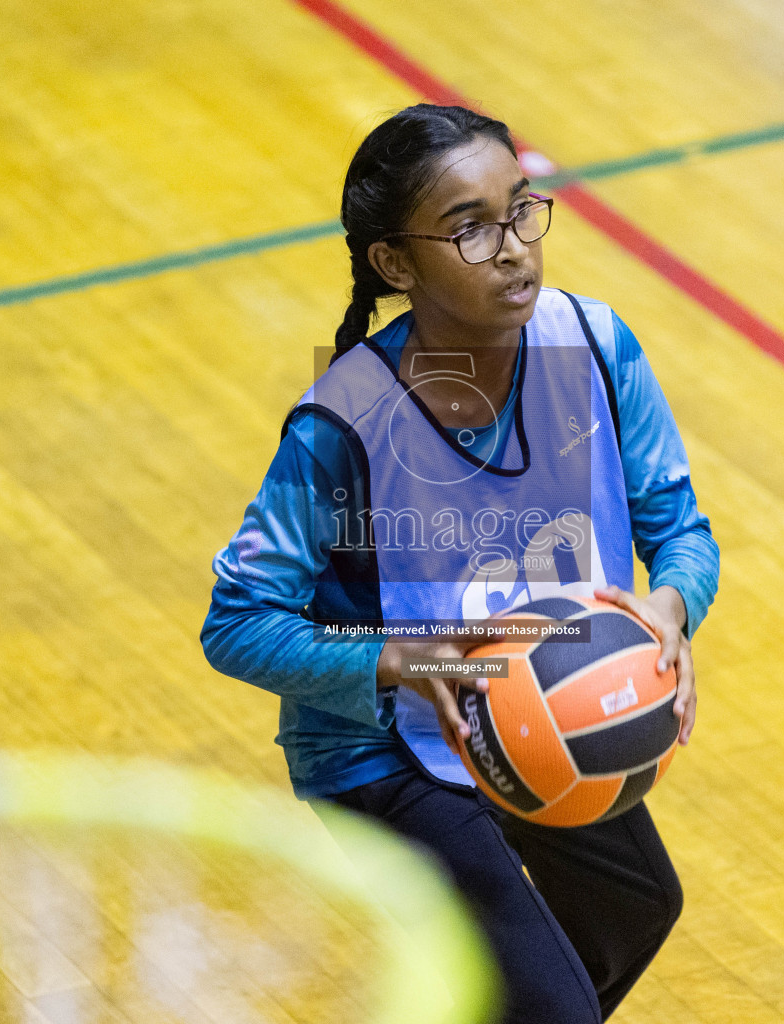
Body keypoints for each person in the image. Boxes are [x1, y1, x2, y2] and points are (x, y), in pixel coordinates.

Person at [202, 103, 719, 1023]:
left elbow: (680, 527)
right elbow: (237, 623)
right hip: (381, 751)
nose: (514, 247)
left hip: (532, 708)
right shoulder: (341, 427)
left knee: (636, 906)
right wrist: (403, 662)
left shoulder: (596, 346)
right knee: (550, 1008)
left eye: (521, 209)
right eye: (469, 228)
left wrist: (673, 608)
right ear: (394, 263)